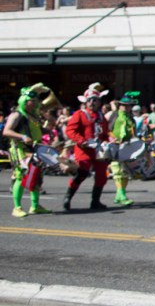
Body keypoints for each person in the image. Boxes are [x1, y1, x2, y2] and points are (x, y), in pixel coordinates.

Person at [3, 83, 58, 217]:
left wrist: (46, 131)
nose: (34, 103)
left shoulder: (33, 115)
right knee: (21, 177)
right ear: (24, 101)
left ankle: (35, 206)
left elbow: (35, 129)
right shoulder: (17, 114)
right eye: (31, 101)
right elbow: (6, 131)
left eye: (35, 101)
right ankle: (17, 207)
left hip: (34, 149)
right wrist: (22, 137)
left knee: (36, 177)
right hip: (21, 149)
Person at [63, 85, 111, 211]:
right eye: (90, 100)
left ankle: (95, 202)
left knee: (101, 176)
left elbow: (105, 133)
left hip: (99, 150)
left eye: (95, 100)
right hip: (84, 149)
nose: (92, 103)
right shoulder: (79, 114)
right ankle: (68, 198)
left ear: (99, 102)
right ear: (86, 102)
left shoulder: (102, 117)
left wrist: (109, 141)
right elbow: (70, 130)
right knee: (82, 173)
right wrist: (81, 140)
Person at [107, 92, 140, 206]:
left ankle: (119, 194)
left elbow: (134, 132)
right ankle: (122, 195)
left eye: (129, 105)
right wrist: (112, 138)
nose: (127, 107)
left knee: (126, 172)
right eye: (124, 105)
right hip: (115, 145)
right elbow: (107, 129)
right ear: (120, 105)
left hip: (127, 146)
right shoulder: (114, 114)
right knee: (117, 170)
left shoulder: (131, 118)